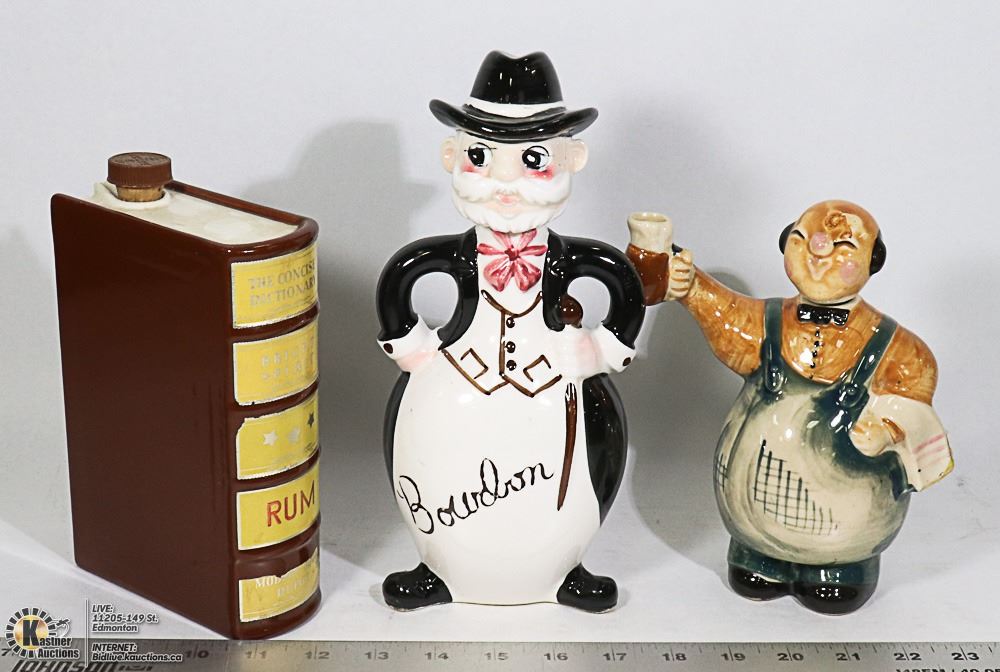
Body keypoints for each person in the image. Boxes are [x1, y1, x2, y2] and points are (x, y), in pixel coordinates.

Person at [375, 51, 645, 611]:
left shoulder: (574, 260)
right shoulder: (452, 256)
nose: (505, 182)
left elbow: (623, 284)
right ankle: (441, 565)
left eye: (533, 161)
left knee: (587, 440)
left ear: (574, 160)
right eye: (480, 157)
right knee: (421, 426)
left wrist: (599, 351)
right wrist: (412, 349)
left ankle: (562, 569)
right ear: (450, 156)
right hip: (456, 373)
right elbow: (400, 277)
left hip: (556, 381)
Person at [628, 200, 953, 614]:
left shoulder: (895, 346)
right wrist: (687, 282)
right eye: (802, 240)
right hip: (750, 518)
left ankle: (842, 568)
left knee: (841, 562)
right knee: (754, 566)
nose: (819, 255)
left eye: (844, 248)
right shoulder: (767, 321)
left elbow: (916, 384)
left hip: (848, 524)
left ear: (874, 261)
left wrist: (889, 426)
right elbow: (722, 312)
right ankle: (758, 556)